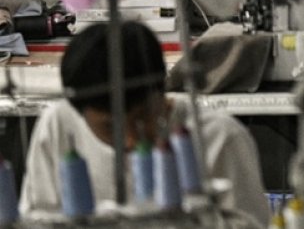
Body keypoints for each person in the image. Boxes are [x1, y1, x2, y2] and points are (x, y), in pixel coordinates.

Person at [20, 22, 270, 224]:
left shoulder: (219, 138)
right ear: (80, 115)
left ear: (162, 92)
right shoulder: (59, 126)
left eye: (142, 118)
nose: (130, 140)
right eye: (109, 128)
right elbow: (37, 218)